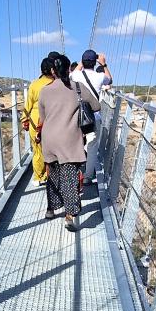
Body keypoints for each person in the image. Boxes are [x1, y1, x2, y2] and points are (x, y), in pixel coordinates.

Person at [37, 53, 100, 232]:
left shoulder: (45, 90)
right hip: (70, 140)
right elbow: (96, 107)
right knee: (70, 178)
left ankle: (51, 209)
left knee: (53, 176)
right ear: (69, 69)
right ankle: (69, 216)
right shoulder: (78, 88)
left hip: (50, 139)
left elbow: (43, 117)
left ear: (52, 70)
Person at [70, 50, 113, 184]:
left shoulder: (75, 75)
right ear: (95, 62)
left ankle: (74, 173)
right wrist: (104, 64)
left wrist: (81, 62)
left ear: (83, 61)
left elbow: (71, 74)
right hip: (94, 117)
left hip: (76, 116)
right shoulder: (100, 76)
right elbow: (110, 79)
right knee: (92, 146)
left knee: (75, 143)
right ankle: (88, 176)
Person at [22, 56, 55, 184]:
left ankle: (38, 177)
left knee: (37, 149)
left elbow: (28, 104)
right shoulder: (56, 83)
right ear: (53, 70)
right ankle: (51, 174)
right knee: (51, 149)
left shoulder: (34, 84)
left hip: (35, 119)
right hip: (51, 118)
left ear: (41, 70)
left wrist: (24, 119)